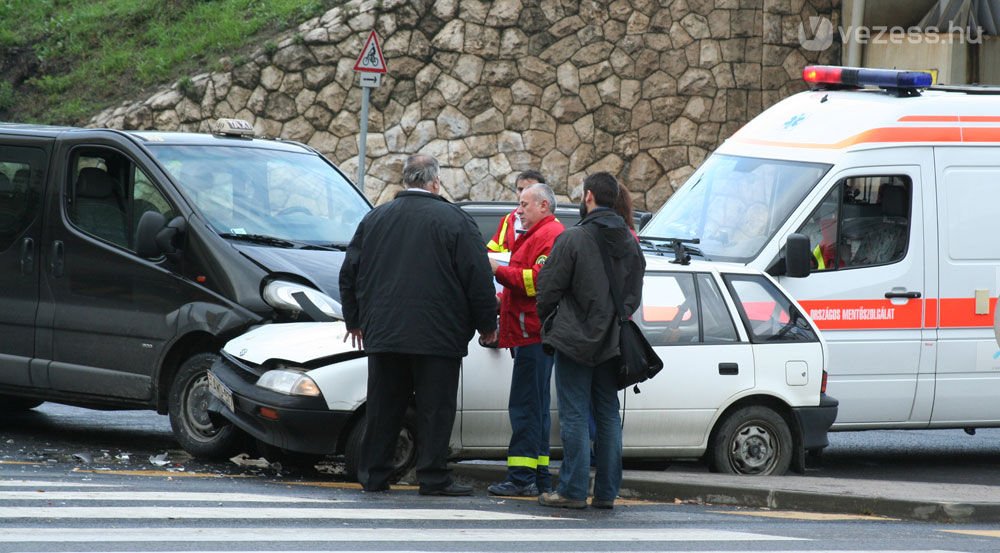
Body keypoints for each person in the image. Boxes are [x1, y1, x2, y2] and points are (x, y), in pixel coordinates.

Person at [339, 154, 498, 496]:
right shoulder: (455, 221)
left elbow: (349, 272)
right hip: (438, 336)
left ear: (406, 181)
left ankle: (374, 475)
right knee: (435, 409)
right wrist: (488, 324)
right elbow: (478, 278)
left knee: (384, 406)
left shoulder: (375, 219)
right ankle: (433, 476)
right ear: (435, 183)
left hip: (385, 333)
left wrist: (354, 320)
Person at [535, 172, 645, 510]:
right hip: (612, 342)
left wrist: (553, 320)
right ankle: (607, 493)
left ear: (588, 197)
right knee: (608, 414)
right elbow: (633, 297)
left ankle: (572, 490)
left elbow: (547, 289)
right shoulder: (630, 242)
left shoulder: (573, 239)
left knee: (575, 415)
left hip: (574, 340)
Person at [486, 183, 564, 497]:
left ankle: (521, 478)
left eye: (524, 205)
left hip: (532, 334)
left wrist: (498, 270)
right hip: (530, 334)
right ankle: (538, 475)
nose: (518, 211)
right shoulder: (539, 234)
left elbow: (535, 282)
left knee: (526, 408)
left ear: (543, 205)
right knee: (535, 408)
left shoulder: (549, 235)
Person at [486, 170, 545, 253]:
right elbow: (492, 251)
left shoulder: (551, 224)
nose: (523, 194)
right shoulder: (507, 220)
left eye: (529, 189)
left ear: (543, 192)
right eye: (520, 189)